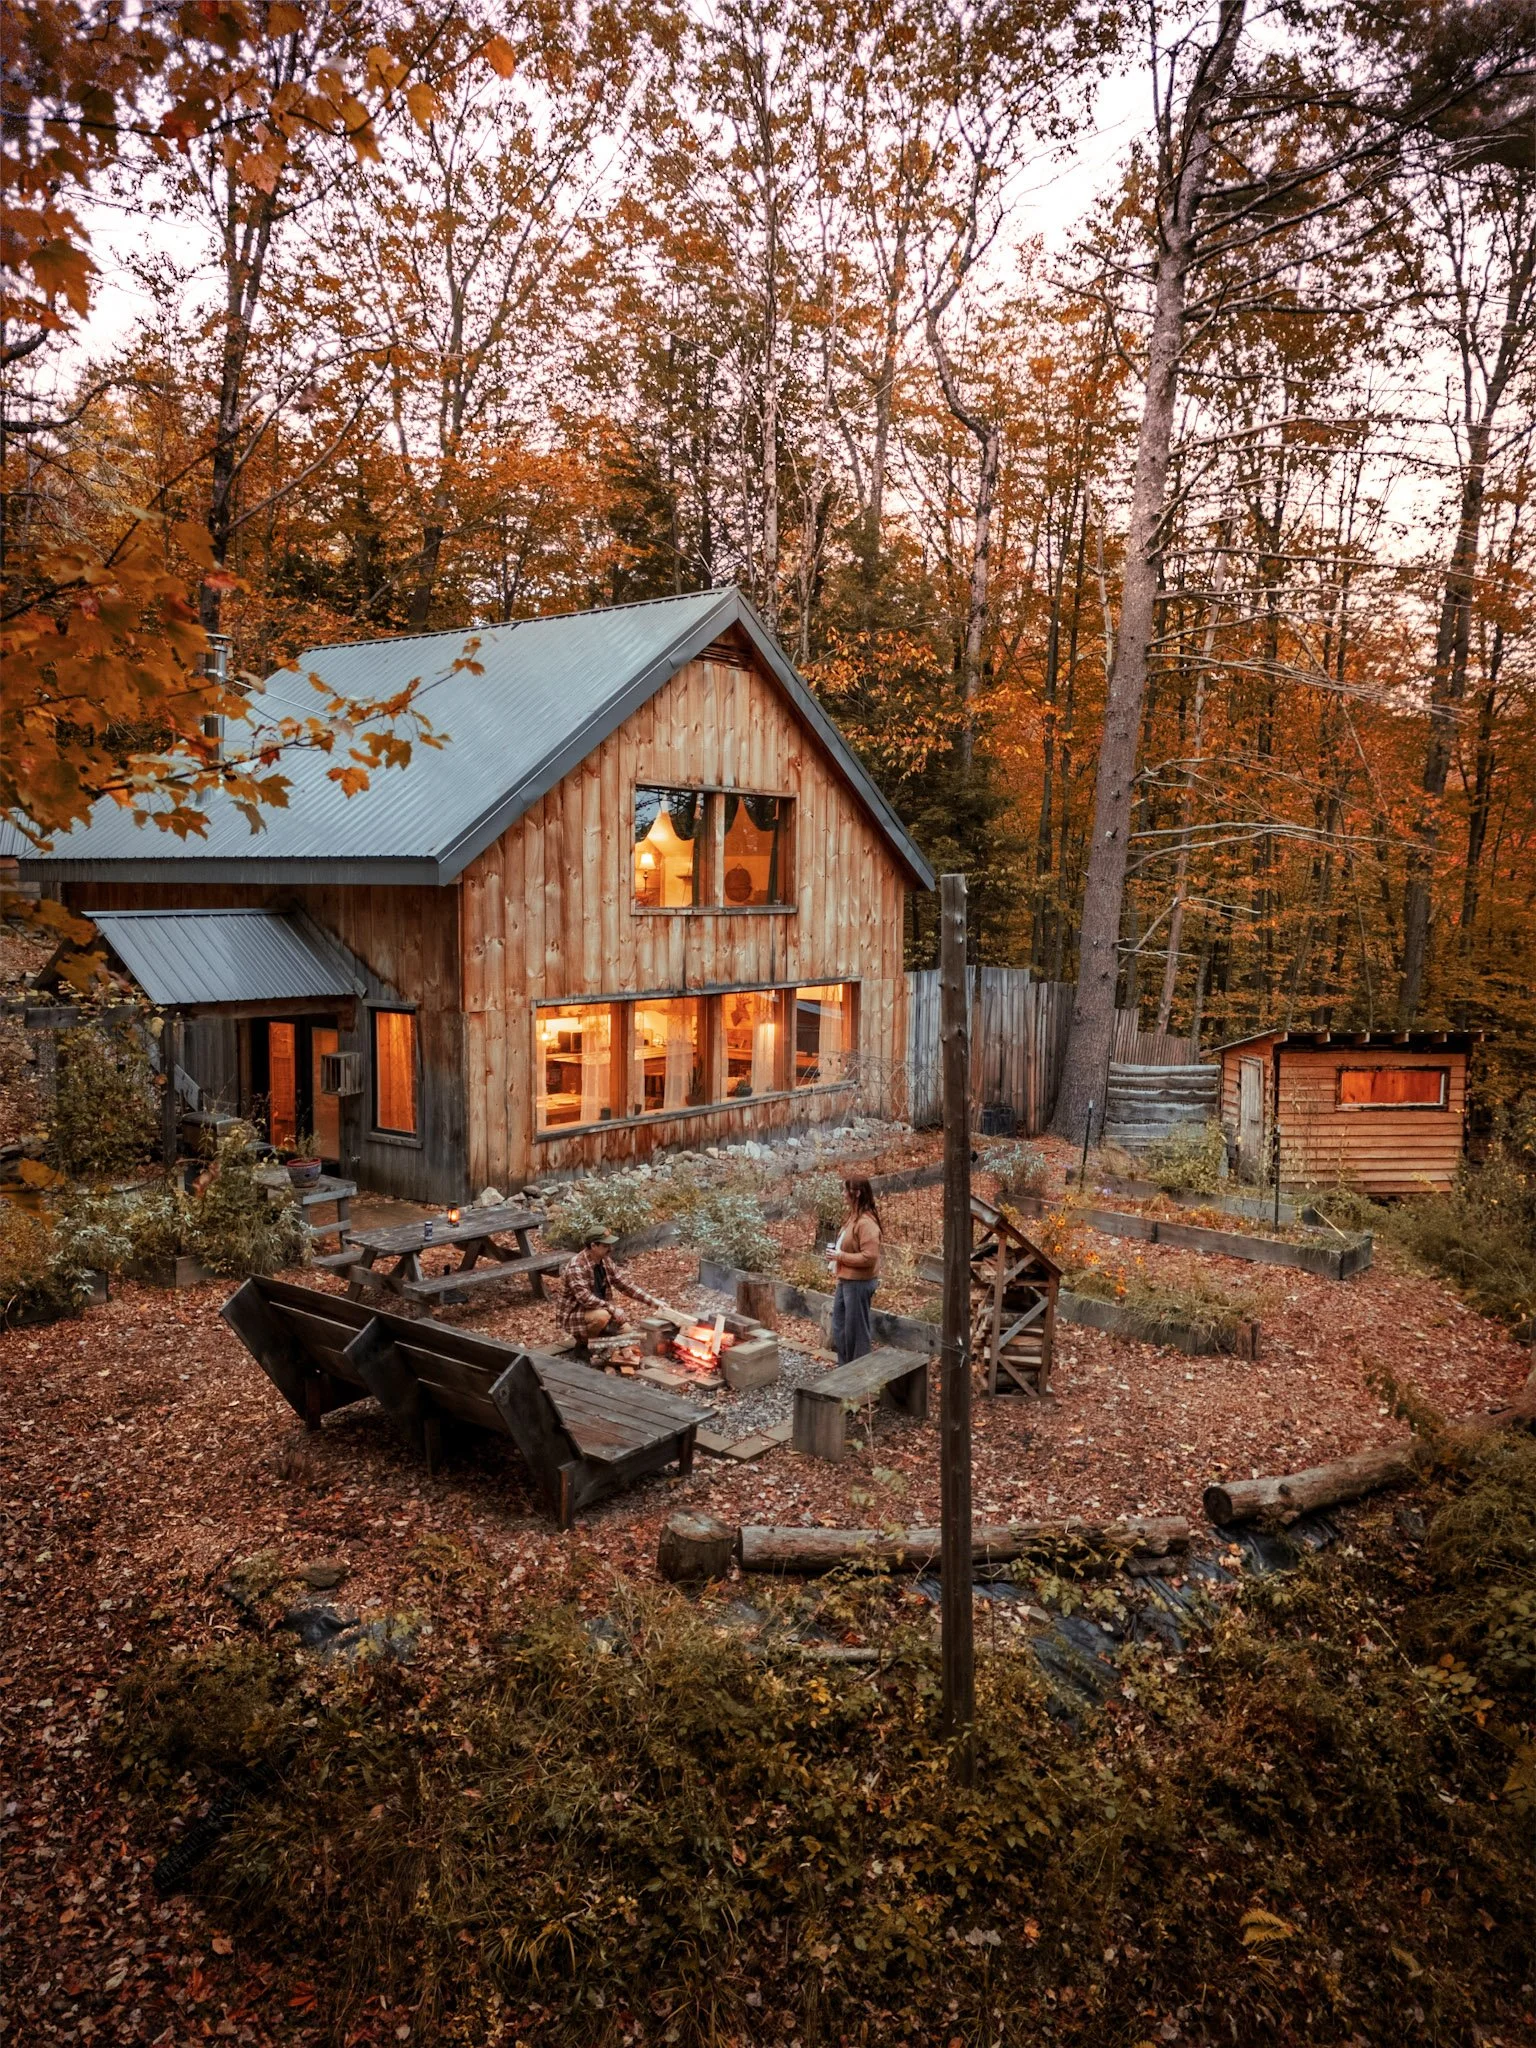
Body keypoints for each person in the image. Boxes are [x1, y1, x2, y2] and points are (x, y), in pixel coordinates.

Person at [558, 1228, 668, 1347]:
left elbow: (624, 1284)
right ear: (593, 1246)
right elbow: (585, 1298)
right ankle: (584, 1346)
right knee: (602, 1317)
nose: (610, 1249)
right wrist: (613, 1309)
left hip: (601, 1308)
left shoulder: (605, 1260)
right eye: (605, 1246)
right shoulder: (577, 1266)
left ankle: (601, 1338)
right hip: (577, 1314)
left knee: (627, 1331)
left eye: (610, 1245)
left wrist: (653, 1301)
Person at [829, 1178, 882, 1365]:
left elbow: (870, 1257)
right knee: (840, 1328)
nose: (843, 1194)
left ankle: (860, 1372)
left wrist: (840, 1256)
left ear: (857, 1193)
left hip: (859, 1283)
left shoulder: (866, 1223)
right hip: (846, 1280)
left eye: (846, 1191)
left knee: (857, 1332)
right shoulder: (853, 1217)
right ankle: (845, 1369)